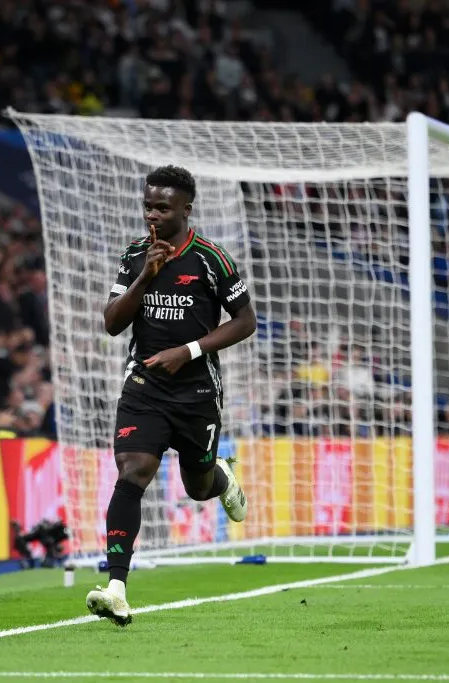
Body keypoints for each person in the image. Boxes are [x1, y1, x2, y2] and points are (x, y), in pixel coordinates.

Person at [85, 165, 257, 626]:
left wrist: (190, 350)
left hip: (197, 391)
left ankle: (220, 477)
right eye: (148, 206)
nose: (152, 215)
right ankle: (116, 587)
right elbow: (112, 323)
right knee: (134, 471)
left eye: (162, 207)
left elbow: (245, 321)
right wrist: (144, 277)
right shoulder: (135, 254)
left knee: (196, 487)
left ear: (185, 209)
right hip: (144, 387)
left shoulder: (212, 259)